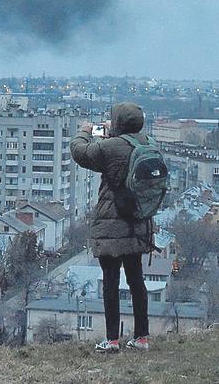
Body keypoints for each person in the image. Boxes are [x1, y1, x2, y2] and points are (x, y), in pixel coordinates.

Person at [71, 101, 154, 353]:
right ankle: (141, 337)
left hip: (112, 222)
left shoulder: (109, 147)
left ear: (117, 122)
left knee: (110, 282)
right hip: (139, 221)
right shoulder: (148, 143)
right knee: (136, 280)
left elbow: (80, 152)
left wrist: (84, 131)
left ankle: (112, 339)